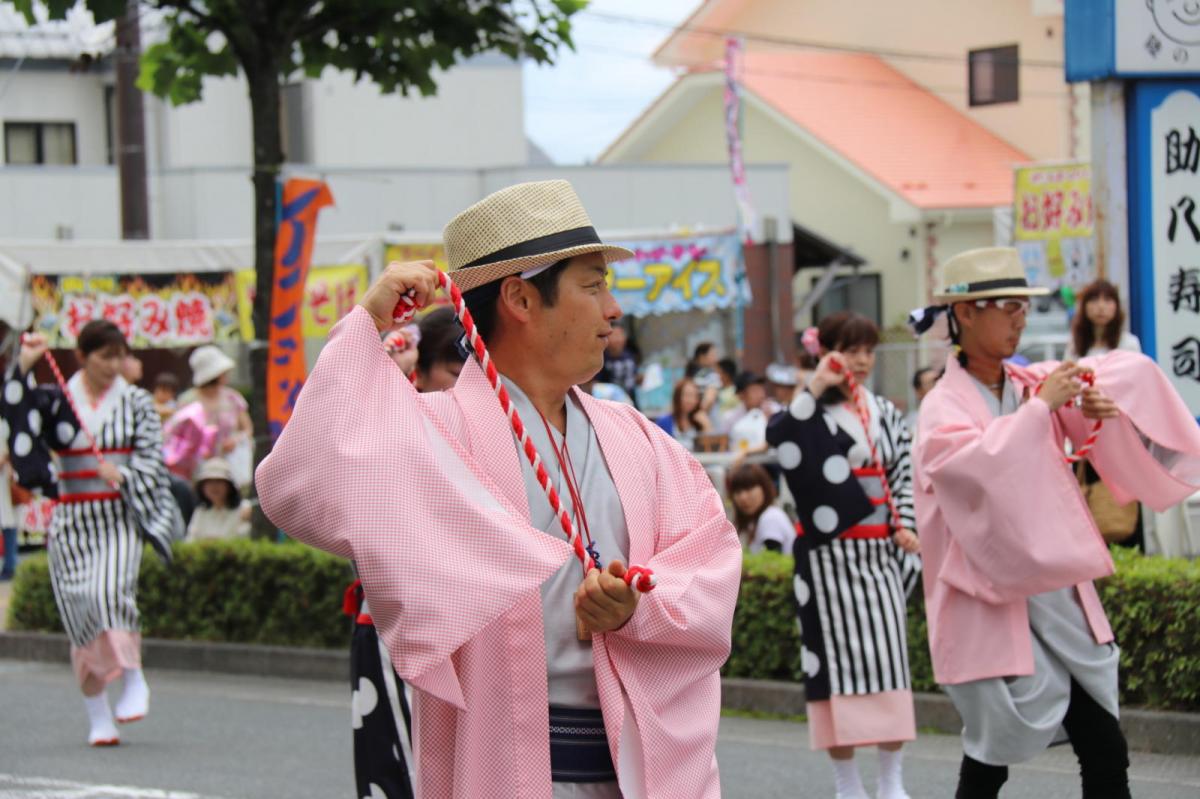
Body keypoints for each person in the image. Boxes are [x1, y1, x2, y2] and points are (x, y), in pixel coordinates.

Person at [256, 179, 743, 798]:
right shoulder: (433, 435)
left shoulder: (639, 438)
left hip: (637, 769)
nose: (612, 310)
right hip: (503, 765)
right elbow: (297, 484)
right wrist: (367, 326)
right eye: (592, 286)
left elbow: (712, 562)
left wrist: (640, 606)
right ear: (520, 298)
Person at [909, 247, 1200, 798]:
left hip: (1050, 591)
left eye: (1024, 306)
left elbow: (1102, 381)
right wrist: (1042, 409)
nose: (1020, 318)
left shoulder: (1026, 382)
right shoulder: (943, 405)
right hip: (989, 597)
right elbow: (972, 469)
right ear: (966, 314)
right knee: (992, 753)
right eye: (1008, 306)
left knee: (1103, 747)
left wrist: (1094, 408)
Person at [1, 320, 180, 746]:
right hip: (70, 515)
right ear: (81, 357)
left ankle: (134, 676)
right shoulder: (57, 398)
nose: (114, 364)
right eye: (104, 356)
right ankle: (97, 712)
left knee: (109, 591)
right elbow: (16, 412)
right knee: (80, 610)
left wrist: (124, 472)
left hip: (117, 514)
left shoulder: (137, 401)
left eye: (120, 355)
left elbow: (155, 461)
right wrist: (24, 364)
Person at [765, 311, 920, 799]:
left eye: (869, 350)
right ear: (826, 350)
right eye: (851, 349)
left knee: (892, 664)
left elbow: (903, 474)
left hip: (880, 553)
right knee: (833, 670)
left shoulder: (884, 410)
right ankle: (846, 781)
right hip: (829, 558)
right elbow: (782, 435)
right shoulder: (810, 409)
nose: (862, 359)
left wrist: (906, 525)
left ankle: (891, 777)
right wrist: (813, 387)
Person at [349, 303, 467, 799]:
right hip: (400, 623)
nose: (461, 387)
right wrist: (388, 362)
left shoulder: (491, 424)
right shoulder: (392, 423)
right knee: (400, 775)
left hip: (471, 627)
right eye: (453, 372)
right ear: (419, 368)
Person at [164, 346, 253, 487]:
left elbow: (247, 429)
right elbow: (175, 435)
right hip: (197, 469)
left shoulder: (232, 398)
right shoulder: (187, 401)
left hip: (229, 464)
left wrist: (236, 440)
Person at [1064, 279, 1141, 361]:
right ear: (1084, 307)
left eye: (1107, 299)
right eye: (1094, 299)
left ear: (1117, 306)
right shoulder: (1074, 345)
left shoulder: (1129, 344)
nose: (1101, 306)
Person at [729, 463, 796, 554]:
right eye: (738, 491)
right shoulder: (756, 521)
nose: (743, 497)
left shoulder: (771, 517)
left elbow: (772, 562)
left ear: (764, 488)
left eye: (749, 488)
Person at [187, 458, 251, 540]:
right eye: (209, 482)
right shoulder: (200, 512)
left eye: (219, 481)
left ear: (229, 485)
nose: (214, 486)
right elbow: (190, 540)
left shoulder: (245, 509)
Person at [655, 376, 714, 451]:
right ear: (677, 397)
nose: (690, 400)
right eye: (687, 395)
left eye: (694, 396)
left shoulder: (699, 421)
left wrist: (706, 425)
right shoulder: (664, 422)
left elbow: (712, 449)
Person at [596, 322, 640, 407]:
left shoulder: (630, 356)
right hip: (610, 403)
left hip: (631, 400)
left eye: (620, 335)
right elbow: (596, 383)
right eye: (614, 335)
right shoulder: (602, 358)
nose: (618, 339)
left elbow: (634, 376)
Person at [905, 366, 939, 434]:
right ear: (919, 392)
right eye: (932, 383)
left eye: (939, 381)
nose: (938, 386)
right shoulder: (913, 422)